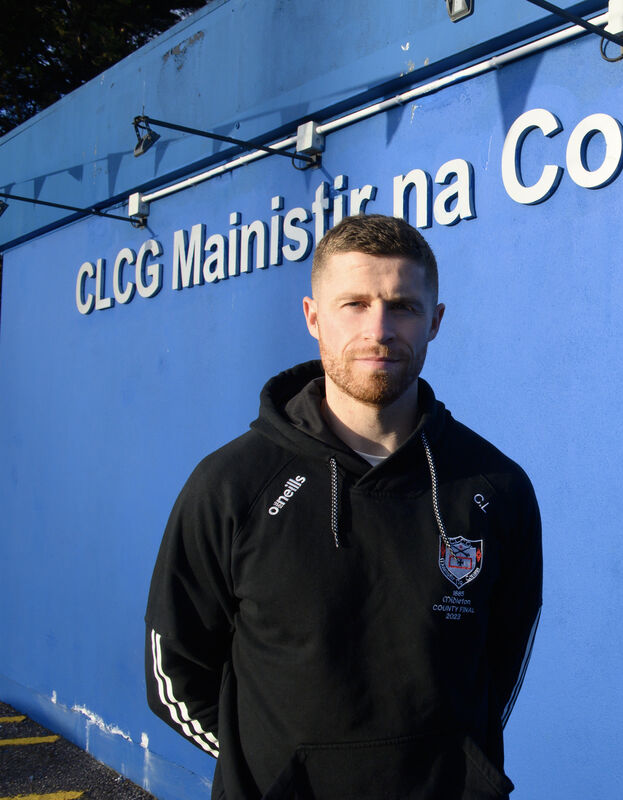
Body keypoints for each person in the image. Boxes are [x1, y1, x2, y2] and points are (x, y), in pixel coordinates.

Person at [145, 214, 542, 800]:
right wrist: (268, 770)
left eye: (402, 306)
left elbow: (502, 657)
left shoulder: (495, 487)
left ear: (435, 322)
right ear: (313, 318)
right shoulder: (232, 485)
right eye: (353, 304)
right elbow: (174, 670)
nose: (379, 329)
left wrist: (461, 766)